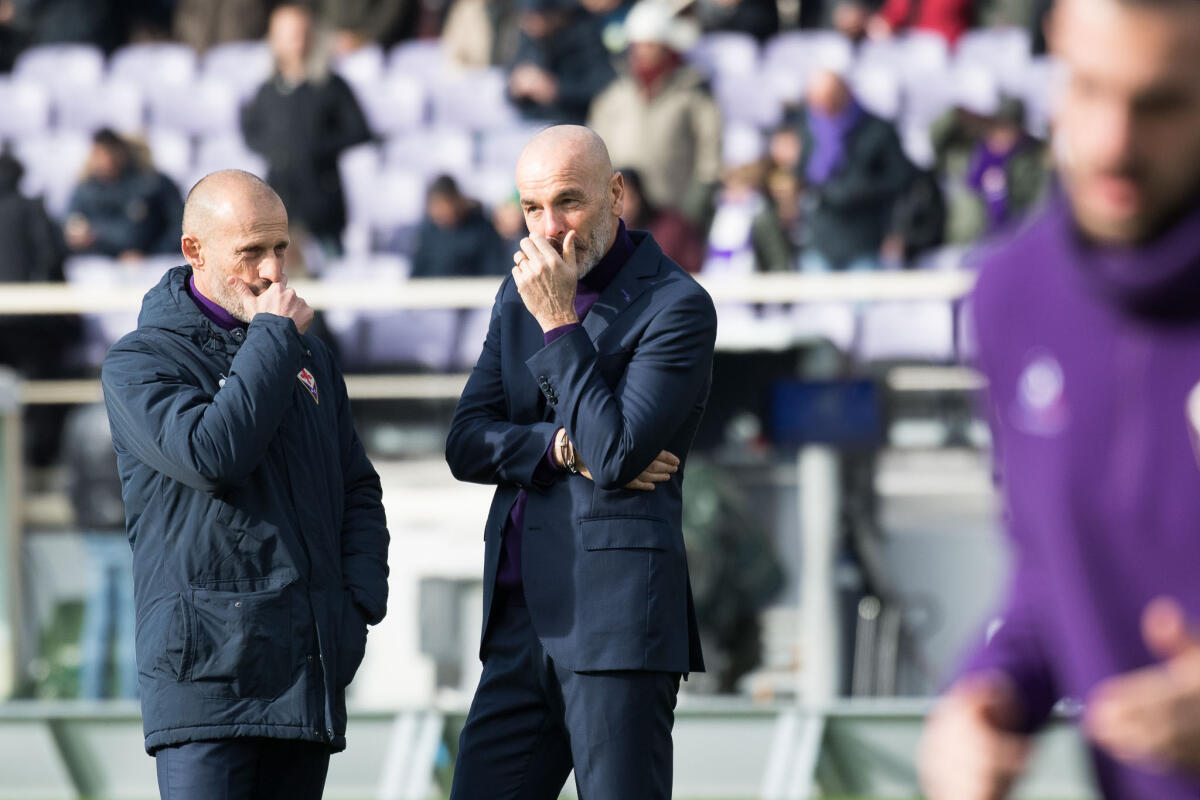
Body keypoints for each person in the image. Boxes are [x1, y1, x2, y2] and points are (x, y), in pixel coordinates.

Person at [917, 0, 1200, 798]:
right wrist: (985, 695)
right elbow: (1051, 573)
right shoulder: (1014, 295)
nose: (1112, 141)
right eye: (1088, 88)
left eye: (1161, 104)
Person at [101, 170, 390, 800]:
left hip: (303, 674)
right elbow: (214, 455)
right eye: (250, 252)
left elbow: (358, 488)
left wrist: (356, 606)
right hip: (205, 682)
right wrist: (273, 338)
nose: (271, 272)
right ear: (194, 252)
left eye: (280, 249)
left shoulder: (311, 359)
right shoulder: (141, 360)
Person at [445, 125, 715, 798]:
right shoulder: (518, 296)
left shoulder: (677, 305)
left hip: (618, 624)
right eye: (532, 208)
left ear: (615, 193)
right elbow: (466, 440)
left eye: (568, 201)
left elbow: (618, 454)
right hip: (517, 623)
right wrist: (557, 447)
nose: (548, 227)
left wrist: (561, 321)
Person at [241, 4, 372, 256]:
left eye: (300, 33)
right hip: (279, 199)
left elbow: (358, 131)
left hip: (323, 201)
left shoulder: (331, 86)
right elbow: (251, 131)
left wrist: (315, 148)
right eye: (287, 34)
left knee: (331, 269)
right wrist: (278, 150)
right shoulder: (267, 91)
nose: (295, 42)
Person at [588, 0, 721, 226]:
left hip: (674, 215)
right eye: (636, 45)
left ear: (667, 47)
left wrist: (696, 202)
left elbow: (711, 151)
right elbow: (594, 150)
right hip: (623, 214)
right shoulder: (613, 97)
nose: (640, 53)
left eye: (649, 45)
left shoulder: (692, 94)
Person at [792, 70, 913, 273]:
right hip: (820, 238)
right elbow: (803, 174)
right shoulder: (809, 130)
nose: (822, 108)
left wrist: (861, 189)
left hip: (864, 237)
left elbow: (901, 178)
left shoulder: (877, 129)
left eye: (828, 100)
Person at [63, 403, 137, 700]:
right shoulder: (129, 412)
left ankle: (90, 698)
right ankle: (131, 701)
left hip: (94, 530)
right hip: (125, 529)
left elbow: (70, 480)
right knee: (131, 621)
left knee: (96, 620)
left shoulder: (79, 420)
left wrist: (81, 521)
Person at [64, 129, 185, 261]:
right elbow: (70, 225)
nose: (104, 160)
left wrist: (152, 255)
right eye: (98, 154)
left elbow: (179, 226)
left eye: (109, 153)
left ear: (121, 153)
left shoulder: (153, 184)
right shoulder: (85, 190)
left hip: (152, 262)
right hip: (99, 264)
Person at [506, 0, 615, 124]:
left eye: (535, 17)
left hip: (572, 122)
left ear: (554, 15)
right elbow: (510, 80)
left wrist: (556, 89)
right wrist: (517, 85)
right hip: (528, 120)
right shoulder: (530, 36)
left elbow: (602, 84)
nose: (528, 24)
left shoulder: (585, 32)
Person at [410, 175, 509, 278]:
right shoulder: (428, 233)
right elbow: (415, 276)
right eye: (436, 207)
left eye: (444, 205)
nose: (441, 212)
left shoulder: (482, 229)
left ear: (456, 200)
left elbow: (494, 272)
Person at [619, 166, 706, 274]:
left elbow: (693, 265)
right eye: (617, 197)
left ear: (639, 195)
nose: (624, 206)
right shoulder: (615, 232)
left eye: (629, 197)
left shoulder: (671, 225)